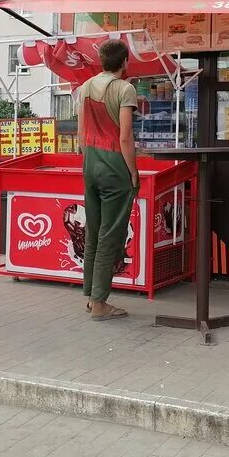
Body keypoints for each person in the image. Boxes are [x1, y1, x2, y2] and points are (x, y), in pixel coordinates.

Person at [77, 38, 139, 321]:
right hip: (115, 165)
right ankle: (100, 303)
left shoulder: (86, 87)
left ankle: (91, 296)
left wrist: (89, 159)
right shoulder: (125, 89)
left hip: (90, 162)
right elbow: (125, 137)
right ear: (125, 62)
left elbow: (80, 133)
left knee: (93, 231)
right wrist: (133, 171)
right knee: (110, 236)